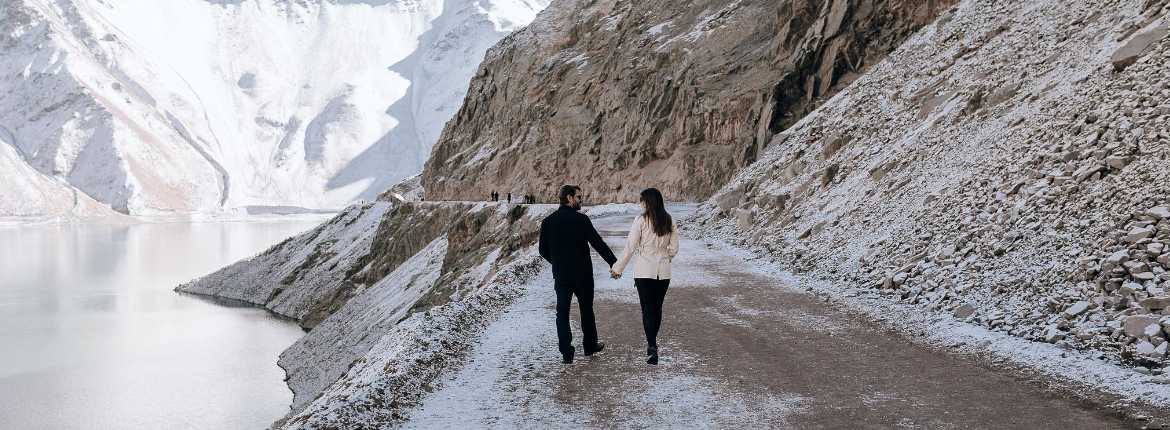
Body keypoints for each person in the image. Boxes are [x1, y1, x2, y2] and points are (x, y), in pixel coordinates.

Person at [539, 185, 617, 364]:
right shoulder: (581, 220)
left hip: (561, 275)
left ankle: (567, 354)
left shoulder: (548, 222)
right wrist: (614, 263)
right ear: (569, 198)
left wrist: (557, 263)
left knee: (562, 313)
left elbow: (543, 250)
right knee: (586, 310)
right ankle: (589, 347)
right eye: (579, 197)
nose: (581, 200)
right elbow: (598, 243)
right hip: (582, 274)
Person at [609, 188, 678, 365]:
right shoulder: (669, 219)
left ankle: (652, 346)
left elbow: (630, 247)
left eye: (641, 201)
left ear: (646, 202)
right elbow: (674, 247)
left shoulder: (640, 220)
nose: (641, 205)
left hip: (644, 269)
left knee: (647, 308)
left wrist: (618, 268)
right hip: (663, 271)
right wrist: (664, 257)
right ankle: (653, 344)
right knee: (657, 308)